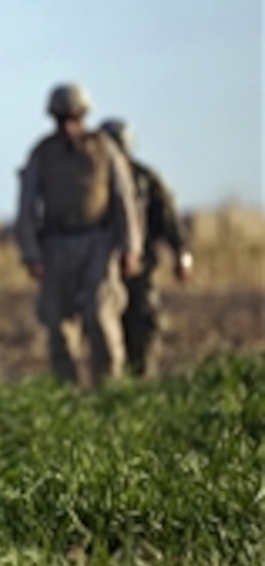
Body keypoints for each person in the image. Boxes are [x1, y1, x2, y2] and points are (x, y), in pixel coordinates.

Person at [15, 84, 142, 388]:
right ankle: (67, 389)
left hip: (98, 242)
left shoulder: (104, 149)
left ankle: (109, 385)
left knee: (100, 316)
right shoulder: (42, 154)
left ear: (84, 115)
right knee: (58, 324)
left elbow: (124, 199)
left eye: (74, 117)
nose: (68, 125)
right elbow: (27, 205)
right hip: (56, 245)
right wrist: (31, 253)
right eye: (61, 118)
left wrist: (130, 248)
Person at [99, 118, 193, 378]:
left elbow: (168, 219)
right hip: (102, 264)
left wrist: (182, 254)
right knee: (105, 322)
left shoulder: (145, 179)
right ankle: (112, 379)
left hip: (141, 263)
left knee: (144, 319)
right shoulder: (92, 181)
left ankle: (142, 375)